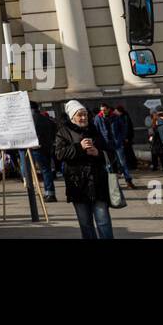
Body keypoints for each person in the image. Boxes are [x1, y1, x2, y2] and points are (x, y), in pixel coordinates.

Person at [54, 100, 113, 239]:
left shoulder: (94, 129)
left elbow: (110, 153)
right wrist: (79, 147)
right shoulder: (63, 132)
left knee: (103, 221)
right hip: (78, 185)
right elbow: (59, 154)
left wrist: (98, 153)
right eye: (80, 115)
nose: (83, 118)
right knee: (85, 223)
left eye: (85, 114)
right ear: (72, 116)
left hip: (98, 182)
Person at [31, 104, 59, 201]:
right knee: (46, 169)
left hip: (37, 147)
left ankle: (50, 193)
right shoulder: (46, 118)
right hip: (47, 146)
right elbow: (55, 129)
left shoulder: (32, 119)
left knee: (45, 170)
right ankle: (49, 192)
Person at [113, 104, 138, 171]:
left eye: (116, 111)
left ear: (119, 111)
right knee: (128, 151)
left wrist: (126, 137)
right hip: (125, 137)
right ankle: (132, 165)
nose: (114, 112)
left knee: (128, 152)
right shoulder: (123, 116)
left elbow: (126, 128)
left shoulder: (124, 117)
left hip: (126, 138)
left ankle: (132, 165)